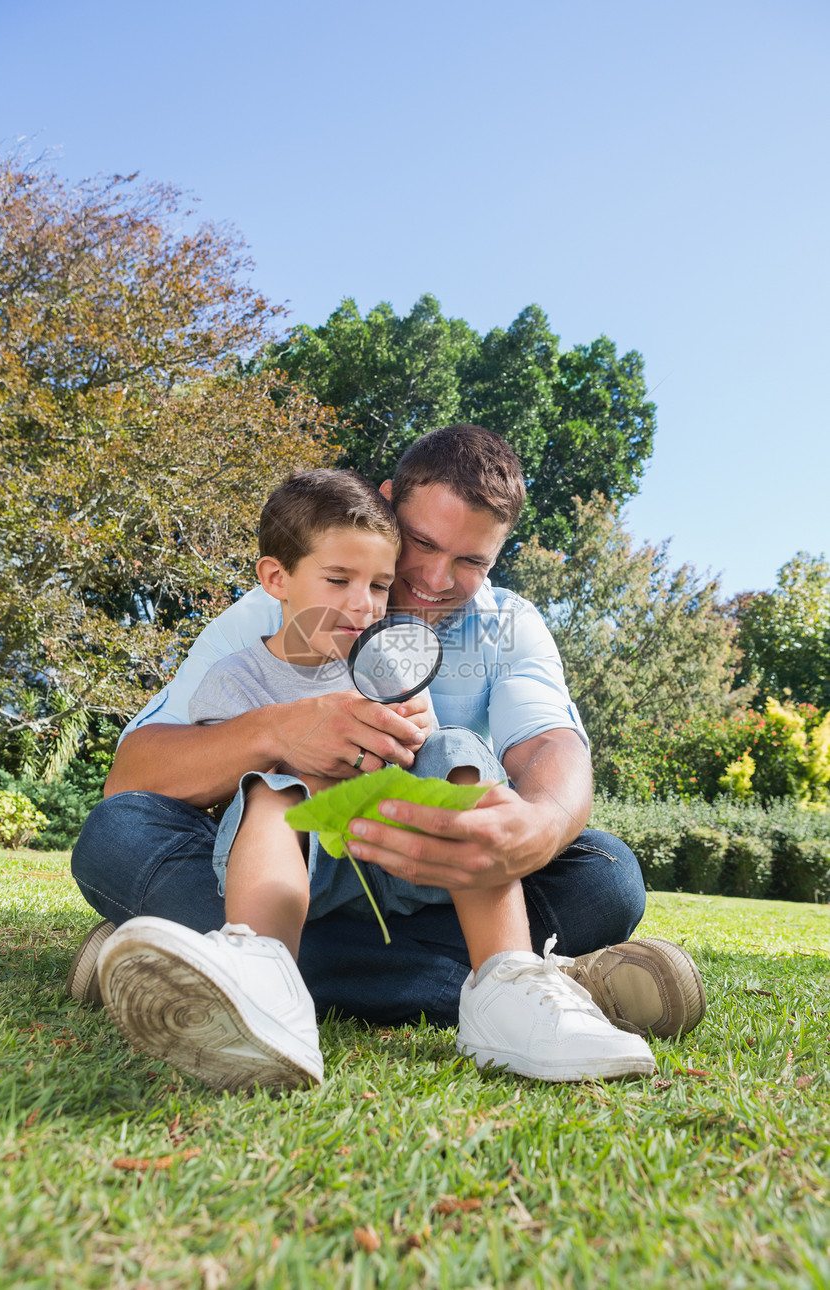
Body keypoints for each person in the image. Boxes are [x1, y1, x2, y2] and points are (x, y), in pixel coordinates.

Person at [71, 425, 705, 1090]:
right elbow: (133, 777)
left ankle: (195, 964)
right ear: (386, 506)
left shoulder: (507, 625)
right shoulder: (277, 608)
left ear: (499, 555)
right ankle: (546, 981)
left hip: (430, 879)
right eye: (423, 544)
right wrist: (278, 731)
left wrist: (534, 828)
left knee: (604, 876)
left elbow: (551, 743)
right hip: (285, 867)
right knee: (117, 836)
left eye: (470, 563)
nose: (433, 580)